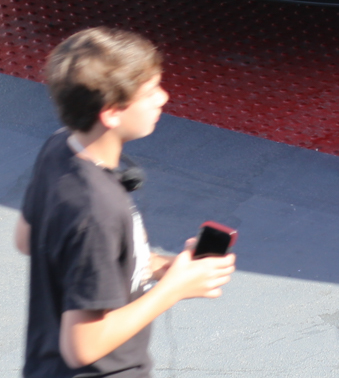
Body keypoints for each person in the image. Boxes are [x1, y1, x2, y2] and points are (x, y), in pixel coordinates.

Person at [17, 27, 235, 377]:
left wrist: (160, 266)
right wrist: (173, 288)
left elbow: (28, 238)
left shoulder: (58, 148)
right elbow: (82, 347)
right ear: (111, 113)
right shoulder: (99, 209)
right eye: (150, 91)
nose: (163, 98)